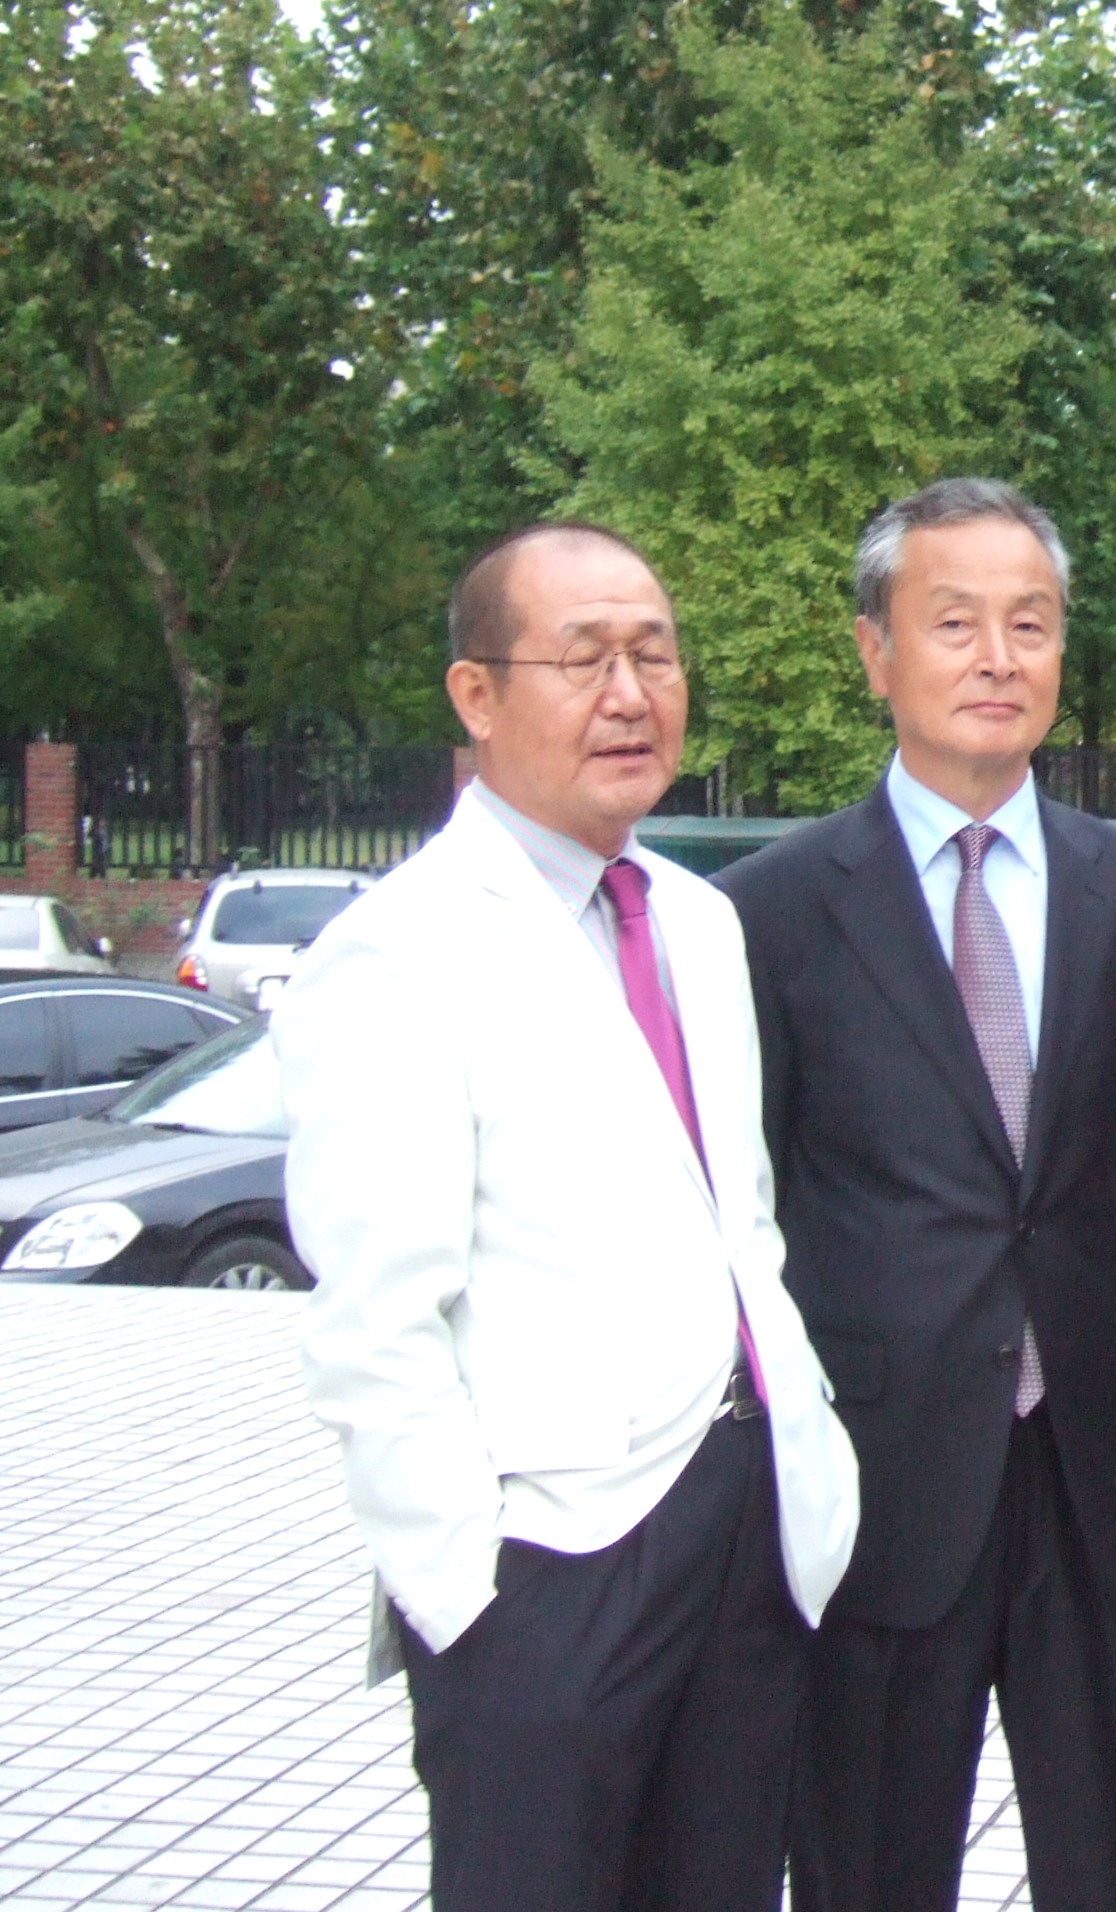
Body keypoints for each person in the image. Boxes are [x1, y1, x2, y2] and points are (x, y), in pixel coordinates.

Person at [279, 523, 860, 1912]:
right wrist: (467, 1601)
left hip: (749, 1527)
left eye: (655, 655)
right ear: (477, 696)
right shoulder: (397, 952)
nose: (629, 694)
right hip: (550, 1568)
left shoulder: (700, 921)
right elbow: (373, 1321)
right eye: (583, 658)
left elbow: (740, 1219)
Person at [716, 478, 1116, 1912]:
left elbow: (1115, 1156)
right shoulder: (770, 910)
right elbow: (761, 1188)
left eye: (1030, 625)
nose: (998, 658)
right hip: (882, 1470)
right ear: (876, 651)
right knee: (867, 1870)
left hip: (1098, 1464)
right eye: (955, 624)